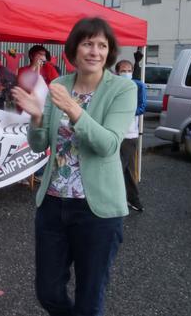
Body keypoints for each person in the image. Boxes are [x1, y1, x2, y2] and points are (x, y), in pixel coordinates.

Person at [12, 17, 136, 316]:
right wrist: (38, 118)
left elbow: (107, 145)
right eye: (88, 43)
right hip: (53, 203)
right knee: (48, 291)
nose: (95, 51)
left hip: (97, 210)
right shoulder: (58, 84)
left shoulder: (121, 89)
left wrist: (72, 108)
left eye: (102, 45)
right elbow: (41, 144)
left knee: (89, 297)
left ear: (109, 52)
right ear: (74, 49)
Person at [115, 60, 146, 212]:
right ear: (117, 72)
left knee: (120, 168)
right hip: (114, 132)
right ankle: (132, 199)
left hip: (129, 134)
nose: (126, 73)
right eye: (123, 70)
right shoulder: (112, 86)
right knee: (126, 169)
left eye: (128, 70)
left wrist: (124, 110)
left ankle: (120, 199)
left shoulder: (138, 86)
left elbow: (141, 107)